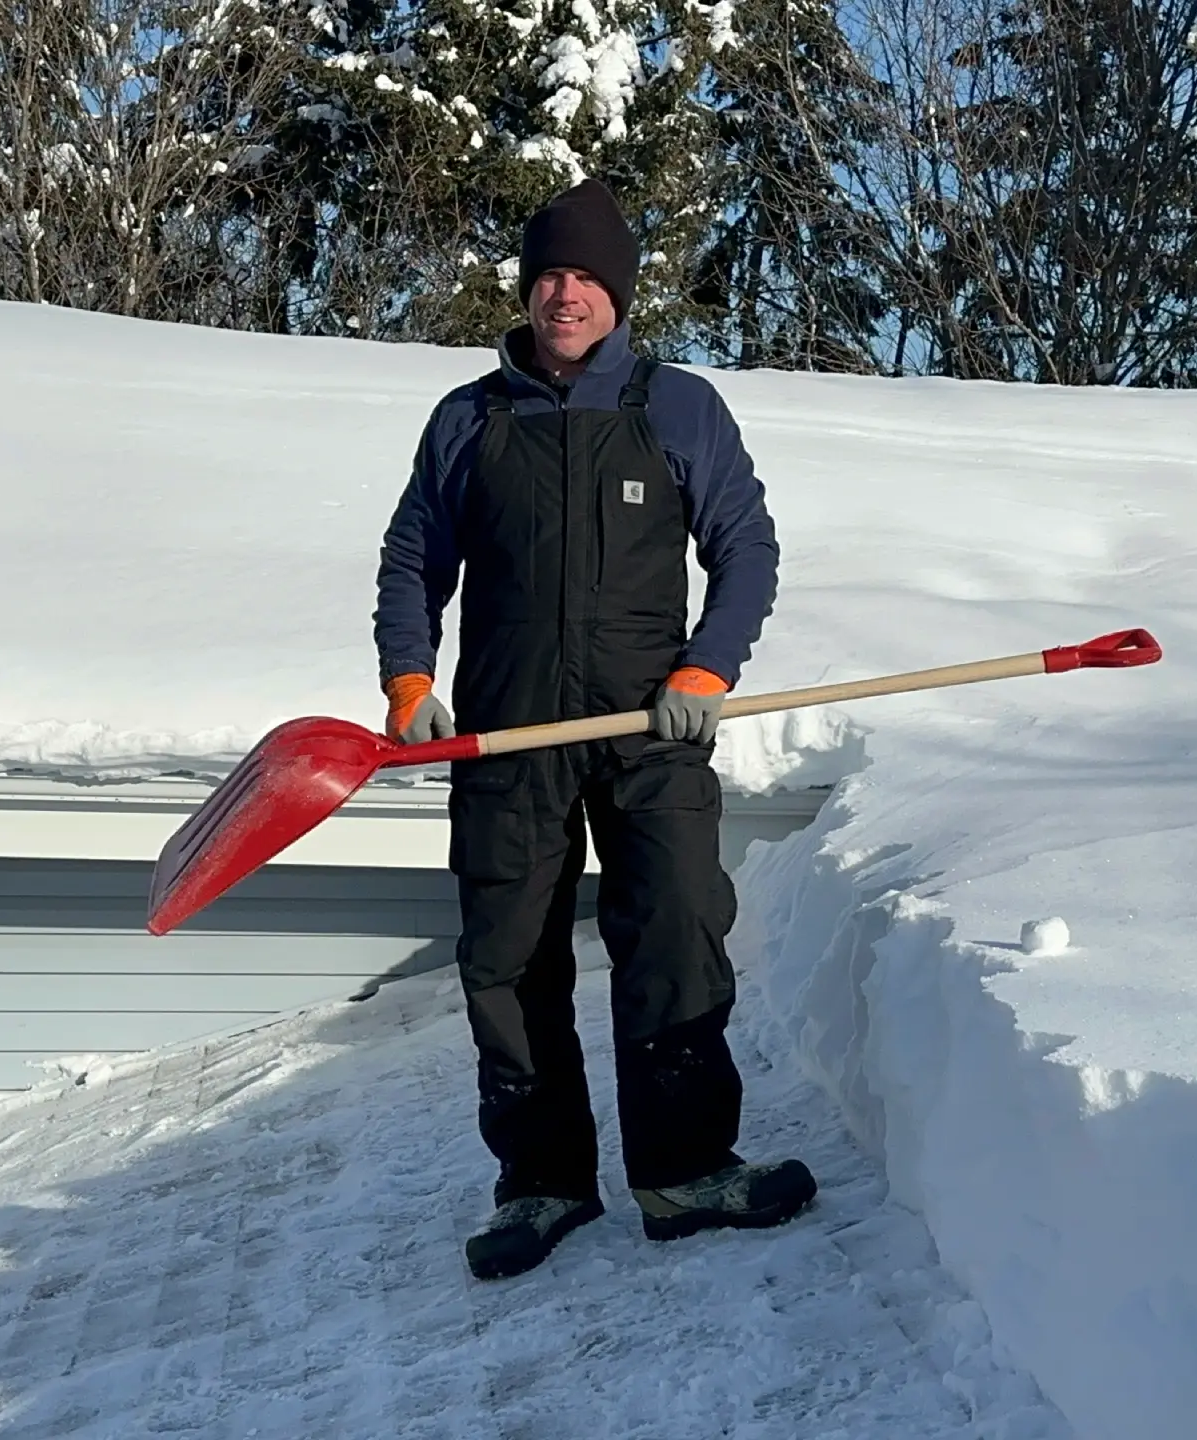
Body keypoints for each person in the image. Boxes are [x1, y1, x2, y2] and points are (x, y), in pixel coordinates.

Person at [374, 178, 815, 1281]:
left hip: (649, 722)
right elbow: (414, 560)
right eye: (548, 277)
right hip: (511, 733)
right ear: (527, 291)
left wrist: (709, 665)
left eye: (586, 278)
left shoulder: (678, 408)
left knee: (672, 930)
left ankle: (686, 1169)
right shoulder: (470, 418)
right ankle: (540, 1184)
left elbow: (746, 549)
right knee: (509, 960)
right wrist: (409, 678)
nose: (564, 295)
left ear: (618, 293)